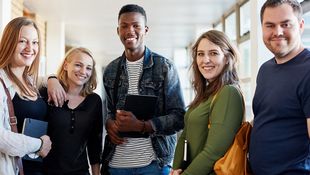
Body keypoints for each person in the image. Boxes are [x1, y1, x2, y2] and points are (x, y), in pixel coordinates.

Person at [102, 4, 185, 175]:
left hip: (154, 164)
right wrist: (109, 123)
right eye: (124, 26)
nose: (130, 30)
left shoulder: (164, 67)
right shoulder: (111, 70)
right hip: (117, 165)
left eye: (136, 25)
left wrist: (143, 126)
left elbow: (179, 117)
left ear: (145, 30)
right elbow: (109, 111)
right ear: (118, 31)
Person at [249, 0, 310, 174]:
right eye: (270, 25)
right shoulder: (265, 69)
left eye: (285, 24)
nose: (278, 32)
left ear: (300, 26)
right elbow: (269, 115)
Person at [170, 30, 243, 175]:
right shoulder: (207, 93)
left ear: (227, 58)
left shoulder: (228, 93)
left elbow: (213, 152)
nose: (206, 60)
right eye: (200, 54)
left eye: (214, 53)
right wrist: (176, 170)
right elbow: (186, 135)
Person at [0, 17, 52, 175]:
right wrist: (39, 144)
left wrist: (53, 79)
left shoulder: (31, 81)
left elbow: (47, 79)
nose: (30, 48)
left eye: (35, 42)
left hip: (38, 168)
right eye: (23, 41)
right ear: (9, 43)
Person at [41, 47, 103, 175]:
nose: (83, 71)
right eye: (78, 65)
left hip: (80, 171)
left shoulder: (94, 101)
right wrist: (51, 78)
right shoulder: (46, 93)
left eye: (88, 68)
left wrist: (96, 174)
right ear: (65, 65)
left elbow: (94, 144)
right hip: (45, 171)